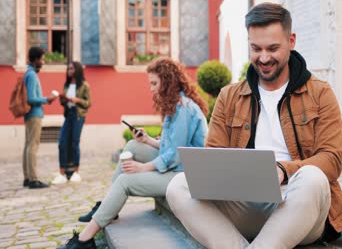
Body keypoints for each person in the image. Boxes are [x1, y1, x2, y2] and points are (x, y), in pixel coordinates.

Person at [165, 2, 342, 248]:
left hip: (299, 207)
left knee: (313, 177)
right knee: (177, 186)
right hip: (242, 205)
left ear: (291, 41)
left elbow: (332, 160)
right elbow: (212, 160)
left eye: (273, 48)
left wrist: (284, 170)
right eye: (256, 48)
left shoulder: (320, 93)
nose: (263, 58)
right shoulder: (228, 96)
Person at [58, 57, 209, 249]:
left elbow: (174, 155)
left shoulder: (184, 109)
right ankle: (108, 207)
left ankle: (84, 240)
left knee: (125, 181)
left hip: (184, 175)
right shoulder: (177, 106)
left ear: (167, 81)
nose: (151, 88)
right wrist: (147, 141)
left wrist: (143, 168)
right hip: (177, 165)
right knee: (132, 146)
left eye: (154, 83)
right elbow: (169, 146)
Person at [23, 46, 58, 189]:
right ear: (36, 59)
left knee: (28, 145)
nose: (43, 62)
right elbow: (31, 98)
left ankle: (27, 177)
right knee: (33, 146)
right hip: (34, 114)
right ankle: (33, 179)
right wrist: (47, 99)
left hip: (30, 115)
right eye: (42, 59)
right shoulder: (31, 75)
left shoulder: (28, 73)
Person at [52, 61, 91, 184]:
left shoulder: (84, 85)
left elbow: (88, 103)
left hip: (78, 115)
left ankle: (76, 172)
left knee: (74, 142)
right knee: (62, 143)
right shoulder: (66, 85)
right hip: (68, 115)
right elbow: (64, 103)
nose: (69, 71)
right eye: (68, 68)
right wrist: (63, 99)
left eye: (71, 68)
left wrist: (76, 99)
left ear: (77, 70)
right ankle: (62, 173)